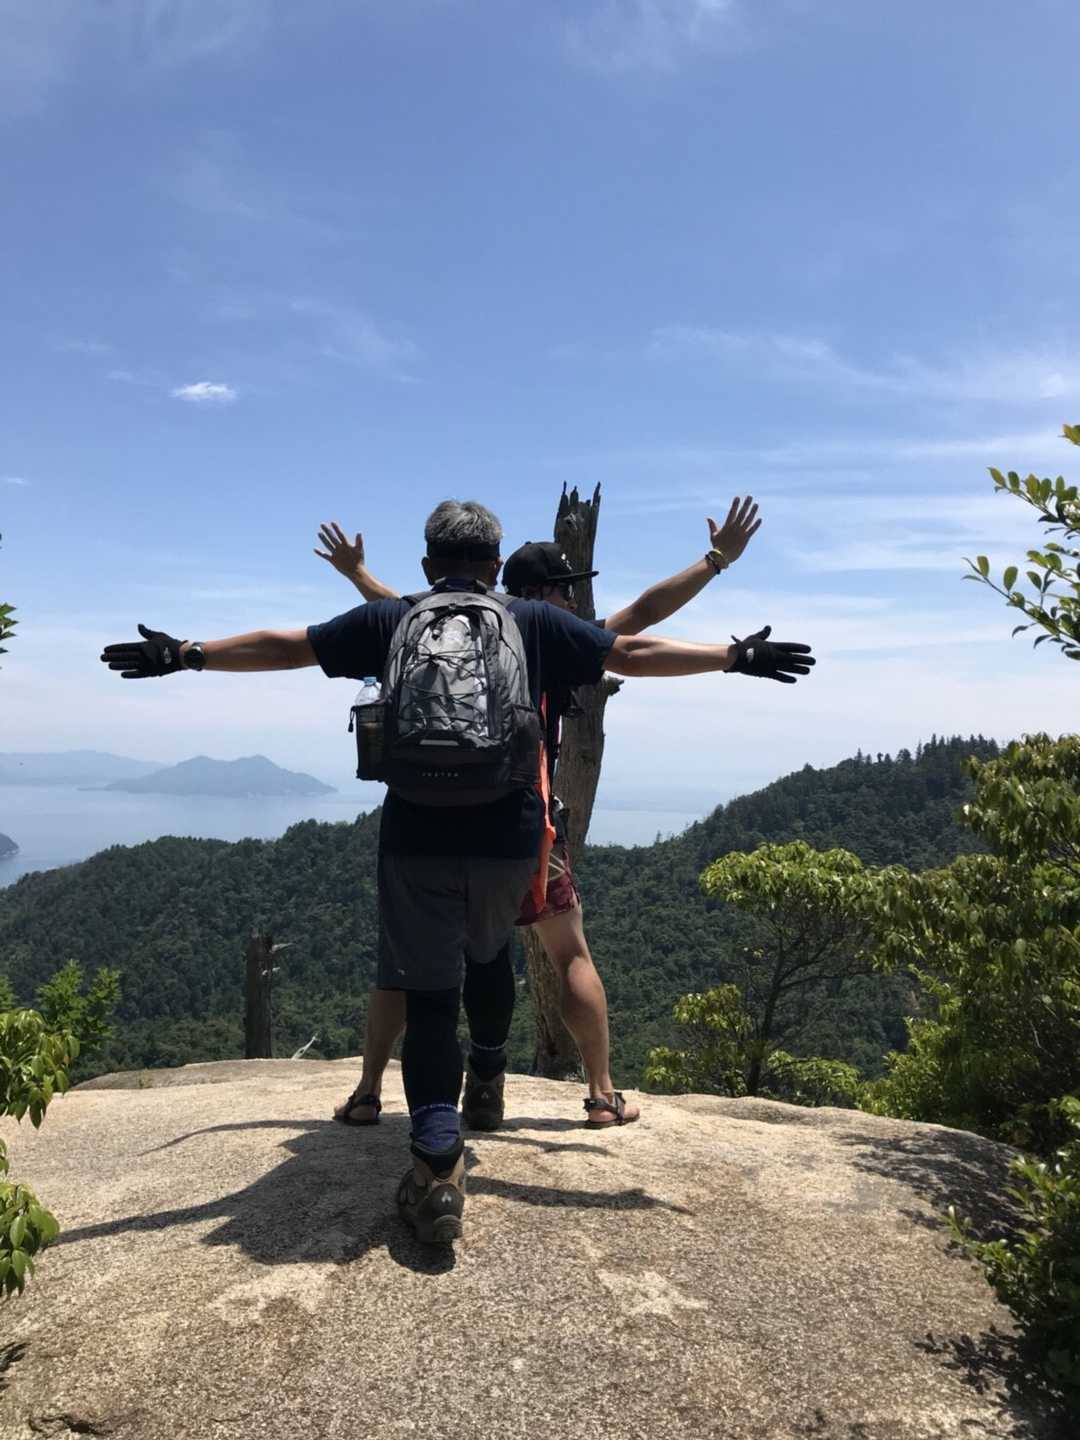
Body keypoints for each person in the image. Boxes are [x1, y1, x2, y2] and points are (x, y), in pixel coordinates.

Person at [102, 499, 815, 1246]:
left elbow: (289, 646)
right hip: (515, 837)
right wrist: (735, 656)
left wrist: (187, 653)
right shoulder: (533, 623)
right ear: (496, 567)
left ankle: (437, 1170)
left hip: (417, 834)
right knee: (493, 956)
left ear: (426, 565)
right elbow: (631, 650)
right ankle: (507, 1082)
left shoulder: (395, 618)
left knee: (432, 998)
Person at [315, 500, 763, 1132]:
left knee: (406, 961)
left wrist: (358, 576)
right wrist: (715, 564)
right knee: (567, 953)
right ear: (536, 589)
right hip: (528, 828)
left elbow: (402, 606)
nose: (576, 600)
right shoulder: (551, 633)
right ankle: (600, 1094)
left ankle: (368, 1092)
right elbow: (643, 623)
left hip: (433, 820)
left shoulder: (448, 626)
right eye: (567, 587)